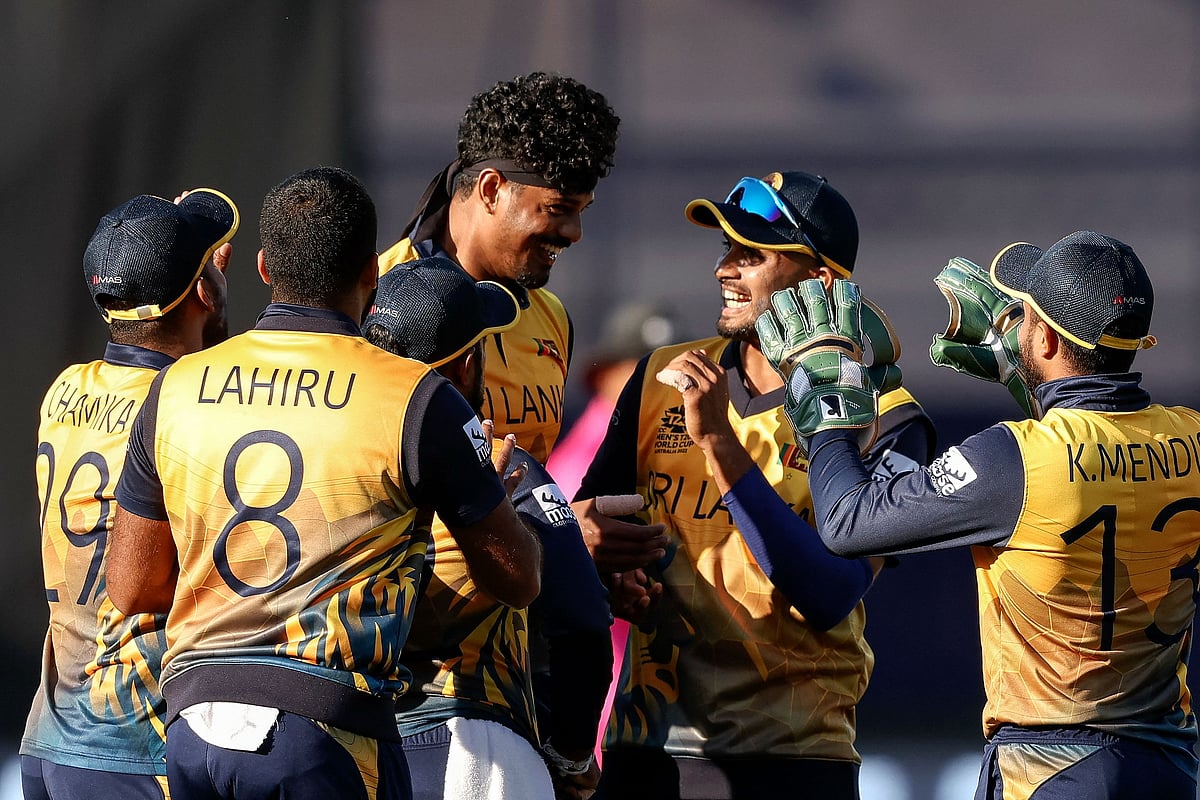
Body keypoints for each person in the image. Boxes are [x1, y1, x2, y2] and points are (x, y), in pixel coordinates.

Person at [105, 166, 542, 800]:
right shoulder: (417, 396)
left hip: (193, 726)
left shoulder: (174, 387)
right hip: (327, 728)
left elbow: (132, 587)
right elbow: (518, 579)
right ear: (371, 272)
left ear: (261, 267)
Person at [757, 230, 1199, 799]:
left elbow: (849, 525)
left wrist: (825, 394)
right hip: (1165, 765)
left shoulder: (1010, 458)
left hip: (1049, 767)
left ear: (1044, 339)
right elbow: (1095, 444)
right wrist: (1033, 380)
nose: (1014, 323)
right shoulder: (1189, 436)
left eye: (1025, 316)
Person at [574, 171, 936, 799]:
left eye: (752, 254)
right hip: (648, 754)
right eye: (726, 250)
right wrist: (609, 568)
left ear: (821, 281)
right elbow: (596, 520)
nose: (725, 269)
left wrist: (718, 441)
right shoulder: (663, 374)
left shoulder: (890, 414)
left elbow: (831, 591)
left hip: (793, 760)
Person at [361, 256, 612, 800]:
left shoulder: (332, 461)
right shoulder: (500, 468)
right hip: (468, 742)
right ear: (465, 366)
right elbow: (584, 624)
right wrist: (569, 755)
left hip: (343, 743)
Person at [20, 188, 237, 800]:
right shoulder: (189, 407)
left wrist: (197, 312)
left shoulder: (64, 389)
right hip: (135, 744)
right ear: (201, 293)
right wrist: (218, 323)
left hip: (51, 735)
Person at [378, 71, 621, 464]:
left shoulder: (552, 316)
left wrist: (568, 521)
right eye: (559, 209)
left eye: (582, 211)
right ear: (491, 190)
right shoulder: (375, 300)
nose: (575, 233)